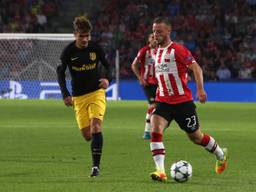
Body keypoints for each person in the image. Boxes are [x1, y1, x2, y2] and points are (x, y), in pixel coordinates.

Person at [149, 17, 228, 181]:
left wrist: (200, 90)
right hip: (163, 101)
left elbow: (196, 68)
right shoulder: (155, 51)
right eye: (154, 31)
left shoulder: (178, 50)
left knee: (196, 137)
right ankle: (160, 171)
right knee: (155, 131)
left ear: (168, 31)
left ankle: (221, 155)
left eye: (159, 31)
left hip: (182, 103)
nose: (156, 34)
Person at [56, 15, 113, 177]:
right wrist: (65, 94)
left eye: (87, 36)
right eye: (82, 36)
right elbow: (60, 73)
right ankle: (95, 153)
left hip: (96, 93)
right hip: (78, 98)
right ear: (75, 35)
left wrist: (108, 79)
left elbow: (108, 67)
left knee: (96, 127)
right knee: (88, 136)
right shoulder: (68, 51)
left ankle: (96, 167)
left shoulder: (95, 48)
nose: (85, 39)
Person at [131, 34, 158, 140]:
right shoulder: (144, 50)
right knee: (153, 105)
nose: (154, 40)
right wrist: (140, 78)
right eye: (151, 38)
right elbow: (134, 65)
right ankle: (147, 132)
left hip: (159, 83)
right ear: (148, 40)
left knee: (153, 107)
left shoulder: (161, 51)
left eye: (155, 38)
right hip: (148, 83)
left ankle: (149, 131)